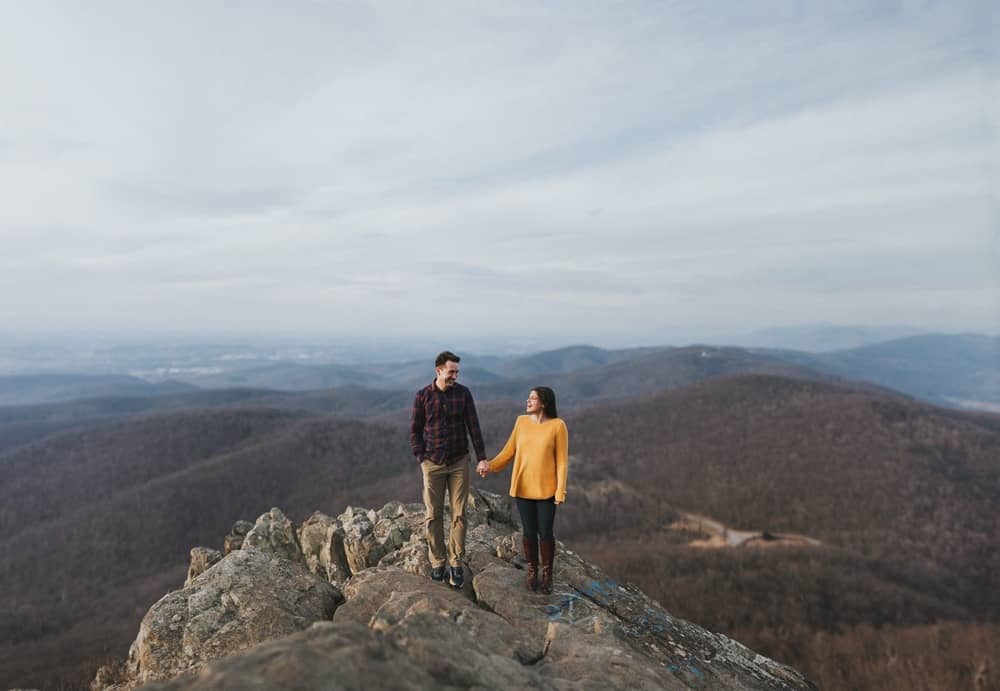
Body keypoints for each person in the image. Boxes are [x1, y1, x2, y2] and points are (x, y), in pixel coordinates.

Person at [477, 387, 568, 594]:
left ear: (544, 403)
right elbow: (508, 452)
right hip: (523, 488)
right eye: (528, 397)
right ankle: (532, 571)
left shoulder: (558, 426)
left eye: (533, 398)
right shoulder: (521, 422)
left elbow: (562, 462)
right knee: (528, 532)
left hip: (547, 490)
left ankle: (547, 575)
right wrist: (490, 465)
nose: (528, 401)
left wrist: (560, 491)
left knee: (545, 532)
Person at [410, 351, 487, 589]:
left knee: (459, 514)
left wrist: (481, 458)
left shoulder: (463, 394)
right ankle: (437, 562)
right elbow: (415, 430)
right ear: (439, 371)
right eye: (451, 371)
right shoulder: (423, 396)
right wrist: (421, 458)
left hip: (459, 462)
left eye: (457, 372)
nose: (455, 376)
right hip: (432, 463)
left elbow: (474, 427)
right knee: (433, 515)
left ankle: (455, 563)